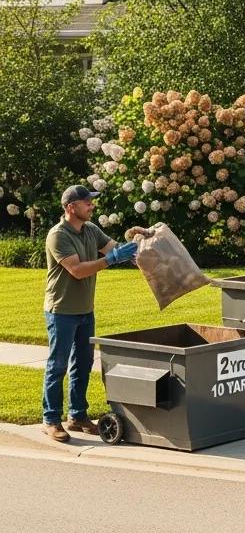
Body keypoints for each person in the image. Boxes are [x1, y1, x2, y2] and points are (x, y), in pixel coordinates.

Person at [41, 185, 144, 442]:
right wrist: (111, 260)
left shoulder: (91, 230)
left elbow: (114, 247)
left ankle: (77, 416)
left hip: (85, 310)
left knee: (84, 364)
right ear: (70, 207)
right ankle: (51, 419)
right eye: (87, 202)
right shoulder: (58, 235)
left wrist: (141, 242)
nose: (92, 205)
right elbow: (77, 270)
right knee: (58, 365)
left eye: (91, 201)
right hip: (61, 310)